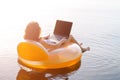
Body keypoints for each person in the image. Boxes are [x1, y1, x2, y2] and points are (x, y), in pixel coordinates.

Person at [24, 21, 90, 52]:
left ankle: (78, 45)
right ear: (37, 31)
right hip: (56, 46)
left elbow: (37, 39)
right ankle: (82, 49)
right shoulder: (40, 41)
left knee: (53, 38)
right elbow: (55, 47)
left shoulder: (28, 39)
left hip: (48, 43)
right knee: (70, 36)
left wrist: (45, 37)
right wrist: (61, 41)